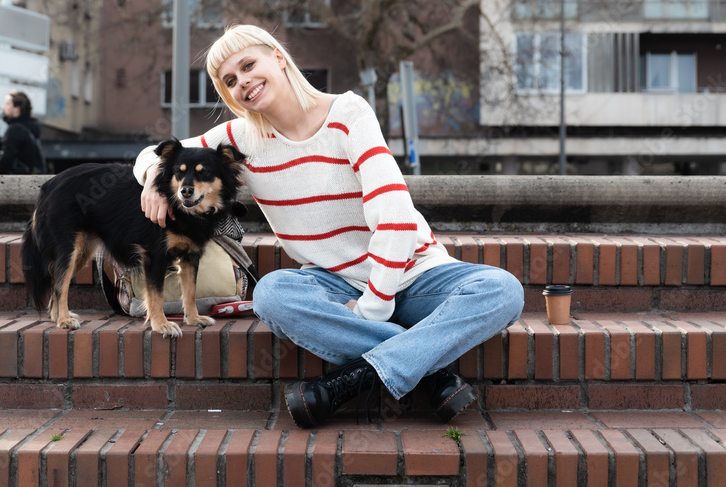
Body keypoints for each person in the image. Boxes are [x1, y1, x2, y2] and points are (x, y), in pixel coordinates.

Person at [135, 24, 524, 428]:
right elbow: (152, 153)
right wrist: (152, 178)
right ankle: (430, 373)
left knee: (502, 290)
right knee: (272, 295)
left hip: (415, 275)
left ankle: (347, 381)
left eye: (249, 65)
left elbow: (394, 213)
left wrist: (374, 306)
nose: (243, 82)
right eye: (230, 81)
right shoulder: (240, 139)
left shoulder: (348, 114)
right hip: (334, 287)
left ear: (279, 58)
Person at [0, 90, 47, 174]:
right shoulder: (28, 127)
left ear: (16, 109)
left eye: (7, 104)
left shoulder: (16, 129)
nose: (3, 108)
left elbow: (4, 163)